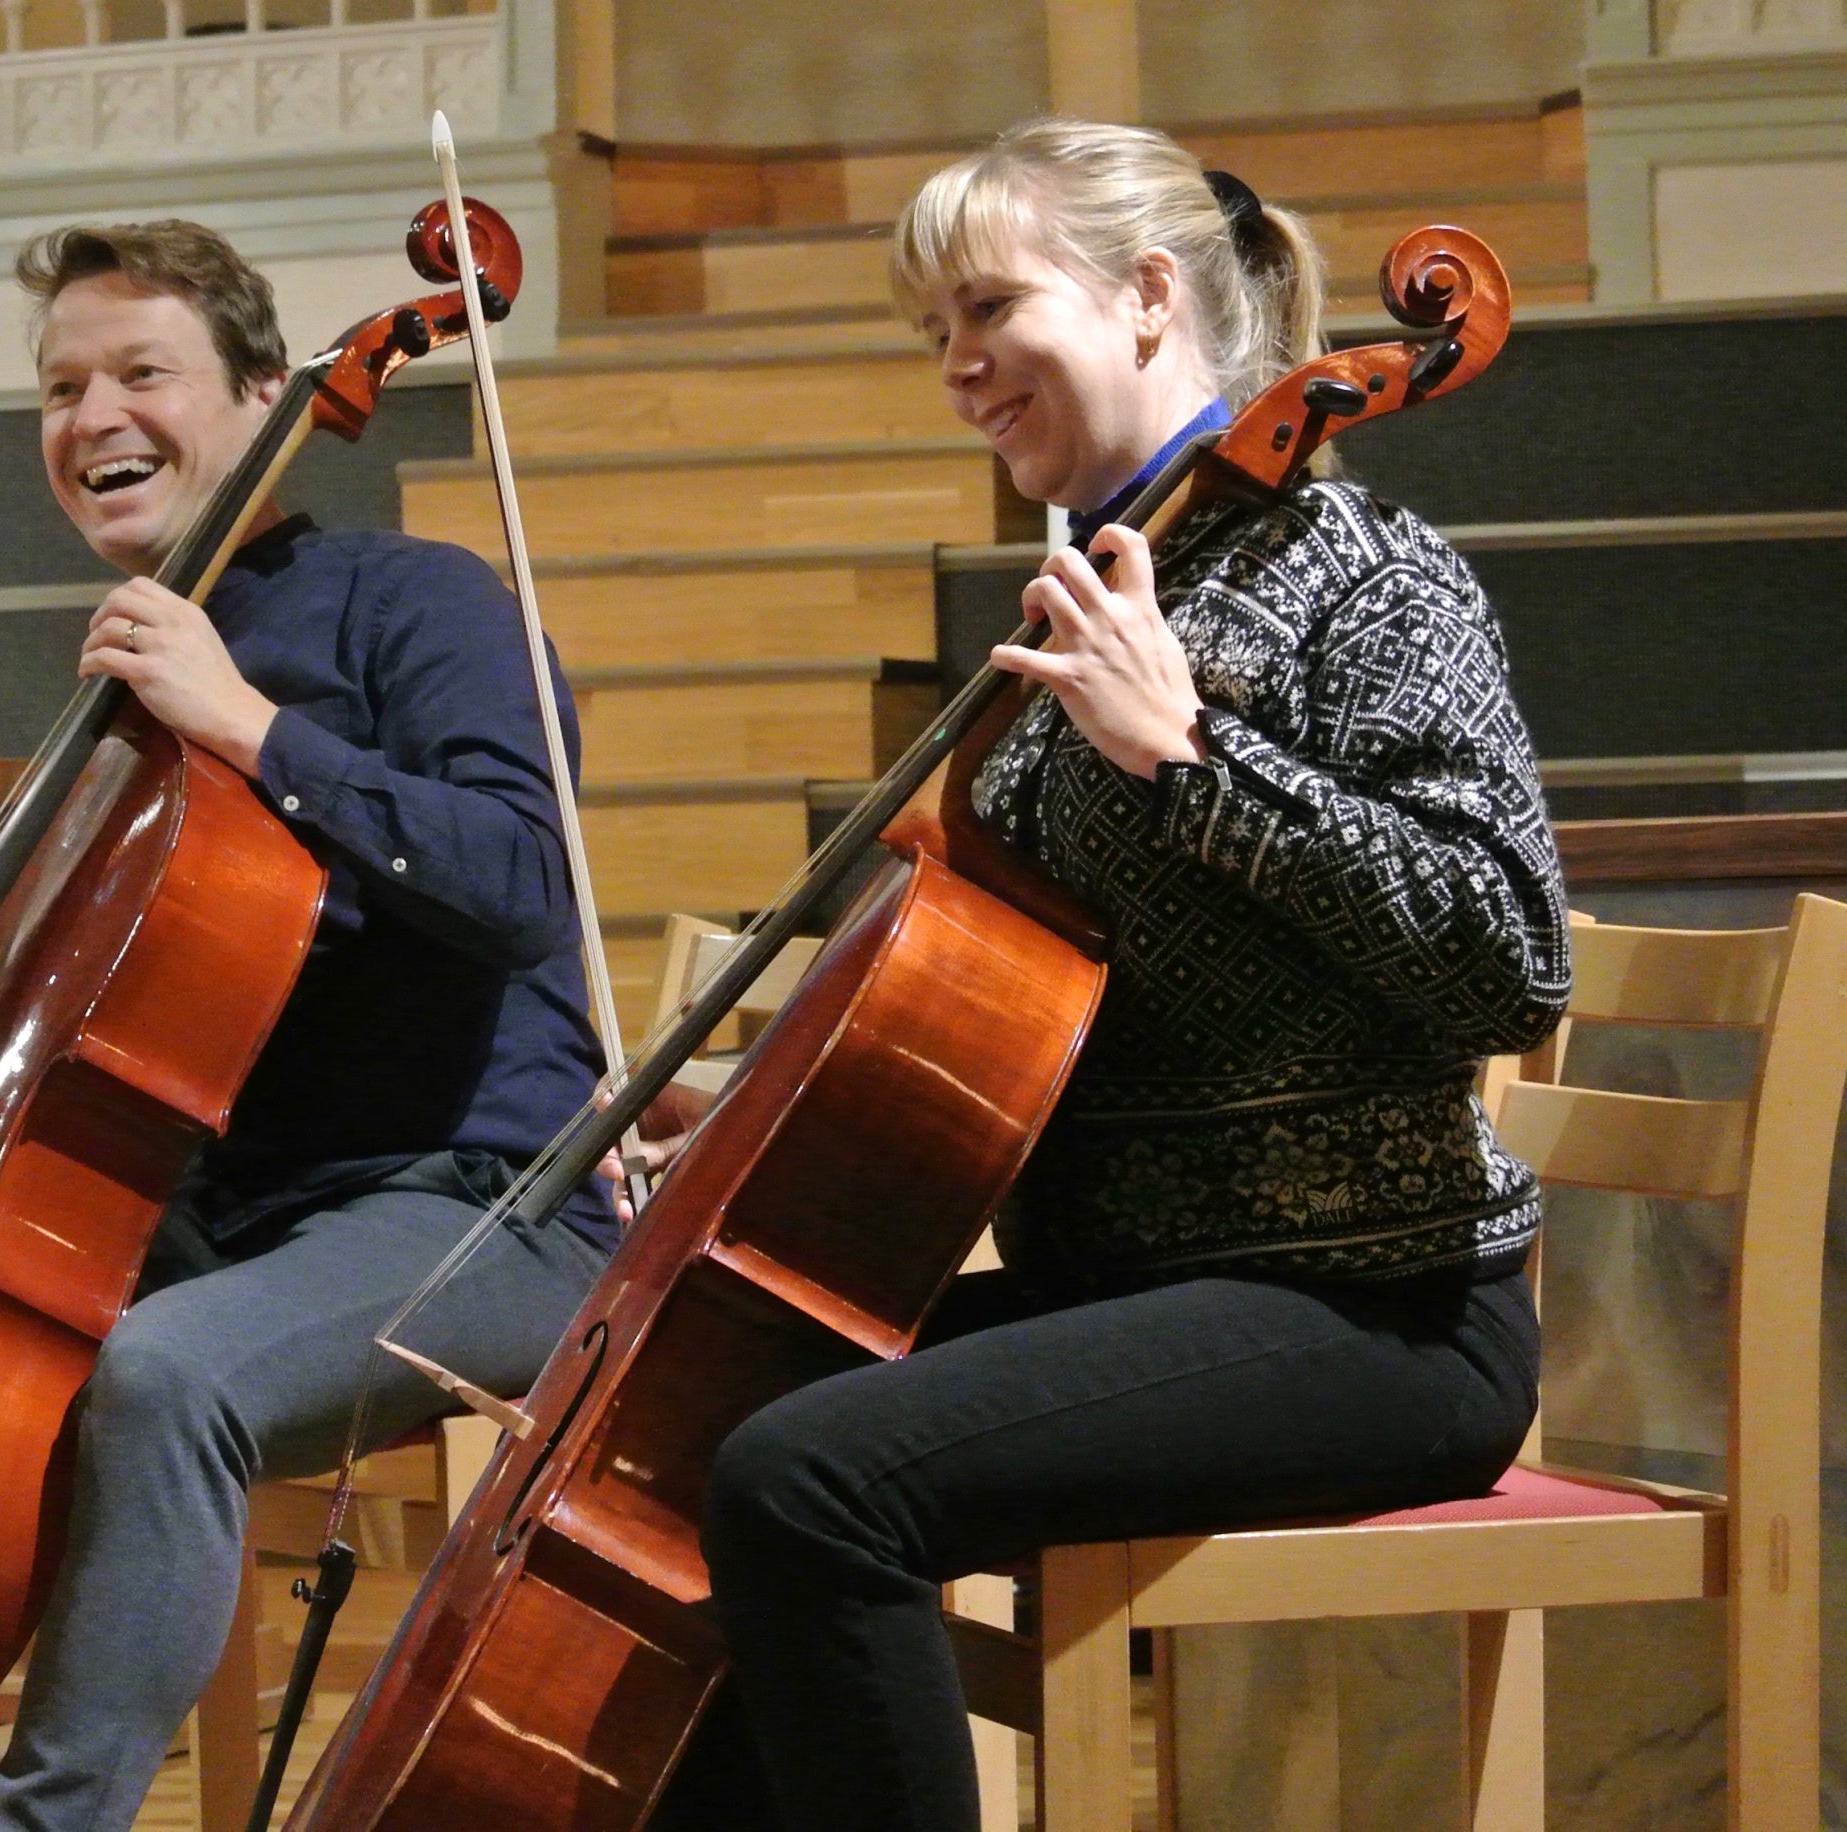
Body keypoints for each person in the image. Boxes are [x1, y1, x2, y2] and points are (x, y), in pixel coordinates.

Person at [634, 118, 1571, 1831]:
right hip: (1136, 1292)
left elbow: (1508, 962)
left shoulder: (1368, 578)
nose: (958, 366)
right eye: (934, 331)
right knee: (717, 1410)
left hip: (1374, 1311)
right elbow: (1015, 1009)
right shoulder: (1096, 592)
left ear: (1149, 295)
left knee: (812, 1481)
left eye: (989, 305)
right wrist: (745, 1120)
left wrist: (1199, 761)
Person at [0, 220, 618, 1832]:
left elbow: (524, 880)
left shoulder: (414, 604)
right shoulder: (123, 680)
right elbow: (48, 1062)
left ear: (257, 392)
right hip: (220, 1219)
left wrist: (247, 722)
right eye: (60, 387)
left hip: (476, 1204)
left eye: (141, 372)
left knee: (169, 1379)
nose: (94, 415)